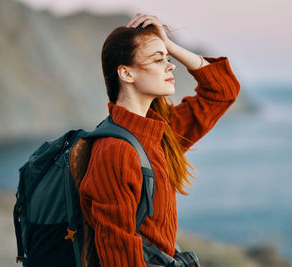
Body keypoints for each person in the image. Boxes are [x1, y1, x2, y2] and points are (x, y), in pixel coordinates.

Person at [79, 13, 241, 266]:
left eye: (168, 58)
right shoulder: (116, 151)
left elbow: (223, 91)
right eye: (158, 59)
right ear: (126, 74)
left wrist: (168, 44)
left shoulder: (161, 133)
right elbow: (120, 257)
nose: (171, 65)